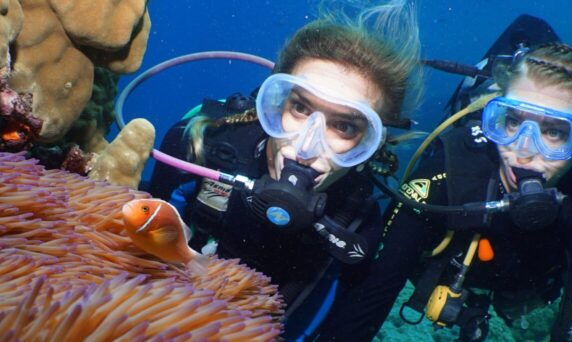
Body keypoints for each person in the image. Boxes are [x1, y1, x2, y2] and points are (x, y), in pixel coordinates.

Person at [315, 26, 572, 341]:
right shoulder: (443, 178)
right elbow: (372, 293)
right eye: (513, 121)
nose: (524, 150)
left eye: (555, 132)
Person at [146, 1, 423, 339]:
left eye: (344, 127)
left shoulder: (358, 224)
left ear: (370, 144)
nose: (306, 147)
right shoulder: (200, 147)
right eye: (300, 107)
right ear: (275, 103)